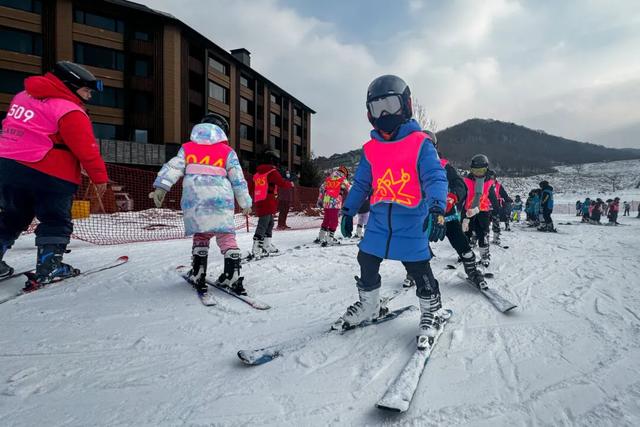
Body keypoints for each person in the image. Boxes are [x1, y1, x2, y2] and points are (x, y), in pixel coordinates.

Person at [336, 75, 448, 348]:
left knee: (418, 267)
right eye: (377, 108)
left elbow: (435, 177)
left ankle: (431, 311)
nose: (384, 113)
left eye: (390, 105)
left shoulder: (421, 143)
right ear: (369, 114)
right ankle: (369, 306)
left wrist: (437, 208)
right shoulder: (371, 149)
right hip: (378, 221)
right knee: (366, 259)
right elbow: (362, 182)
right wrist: (348, 210)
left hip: (411, 219)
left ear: (406, 105)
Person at [0, 61, 108, 287]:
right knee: (55, 219)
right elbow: (85, 148)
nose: (89, 96)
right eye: (86, 91)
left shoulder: (22, 97)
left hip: (9, 167)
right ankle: (49, 267)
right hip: (51, 173)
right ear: (69, 85)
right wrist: (99, 178)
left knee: (13, 215)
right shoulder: (69, 110)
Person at [149, 117, 252, 303]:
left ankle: (198, 272)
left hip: (195, 202)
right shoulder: (227, 152)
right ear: (222, 132)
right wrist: (245, 202)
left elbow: (173, 167)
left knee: (201, 234)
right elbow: (238, 178)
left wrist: (162, 186)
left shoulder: (188, 148)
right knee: (226, 236)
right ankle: (232, 275)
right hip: (221, 201)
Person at [251, 149, 293, 258]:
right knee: (264, 223)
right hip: (267, 200)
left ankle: (266, 244)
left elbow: (252, 187)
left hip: (260, 199)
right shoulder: (271, 172)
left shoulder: (257, 174)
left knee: (269, 222)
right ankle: (257, 248)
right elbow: (281, 182)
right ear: (272, 161)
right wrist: (290, 184)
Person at [463, 154, 499, 268]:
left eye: (481, 170)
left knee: (482, 233)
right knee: (465, 232)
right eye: (475, 170)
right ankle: (466, 254)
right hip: (468, 211)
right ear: (471, 169)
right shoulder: (467, 180)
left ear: (486, 169)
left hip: (482, 211)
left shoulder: (489, 182)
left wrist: (497, 211)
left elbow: (493, 197)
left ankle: (485, 256)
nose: (478, 173)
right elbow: (462, 195)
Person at [315, 166, 351, 246]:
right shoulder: (342, 178)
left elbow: (321, 188)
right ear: (345, 173)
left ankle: (321, 237)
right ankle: (330, 238)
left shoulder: (329, 178)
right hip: (335, 201)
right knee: (334, 221)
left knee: (326, 219)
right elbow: (350, 188)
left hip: (327, 201)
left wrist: (320, 200)